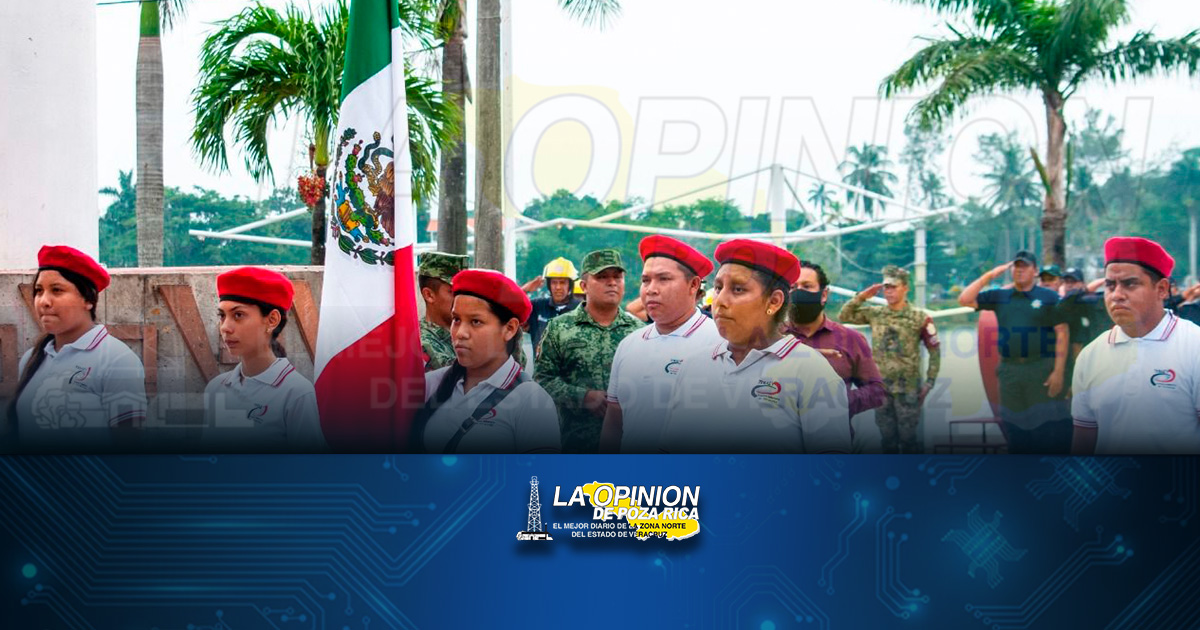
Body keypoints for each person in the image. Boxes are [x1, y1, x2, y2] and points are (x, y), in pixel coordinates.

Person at [657, 239, 851, 454]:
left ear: (774, 302)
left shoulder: (811, 372)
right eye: (718, 287)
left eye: (738, 289)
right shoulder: (693, 366)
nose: (720, 301)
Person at [7, 245, 147, 453]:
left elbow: (130, 449)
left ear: (88, 300)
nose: (43, 301)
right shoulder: (30, 359)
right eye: (38, 291)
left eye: (57, 290)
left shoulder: (117, 360)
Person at [1072, 237, 1200, 454]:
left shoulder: (1193, 346)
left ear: (1162, 289)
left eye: (1130, 284)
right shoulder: (1090, 355)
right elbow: (1084, 439)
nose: (1117, 295)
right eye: (1110, 285)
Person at [412, 269, 560, 454]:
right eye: (456, 319)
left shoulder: (531, 401)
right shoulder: (431, 384)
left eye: (475, 322)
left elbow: (538, 480)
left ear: (510, 328)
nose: (460, 333)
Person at [600, 235, 721, 453]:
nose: (651, 289)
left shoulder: (720, 345)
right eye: (646, 280)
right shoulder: (629, 345)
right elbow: (614, 421)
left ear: (693, 285)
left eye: (664, 279)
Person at [203, 267, 326, 452]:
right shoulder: (216, 388)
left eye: (238, 315)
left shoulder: (296, 393)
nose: (225, 327)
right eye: (222, 316)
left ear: (272, 320)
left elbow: (311, 471)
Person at [959, 250, 1070, 454]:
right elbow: (965, 299)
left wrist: (1058, 372)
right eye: (1016, 266)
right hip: (1009, 369)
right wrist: (991, 274)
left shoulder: (1048, 297)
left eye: (1025, 266)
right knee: (1014, 428)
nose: (1019, 271)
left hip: (1040, 369)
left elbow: (1062, 332)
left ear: (1034, 271)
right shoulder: (1001, 296)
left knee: (1042, 429)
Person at [536, 249, 641, 453]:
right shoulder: (559, 328)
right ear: (583, 285)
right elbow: (542, 379)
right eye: (602, 277)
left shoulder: (639, 331)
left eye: (617, 277)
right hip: (576, 445)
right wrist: (583, 397)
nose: (612, 283)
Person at [839, 265, 941, 454]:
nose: (889, 291)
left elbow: (934, 350)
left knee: (909, 440)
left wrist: (930, 382)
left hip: (908, 389)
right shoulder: (877, 314)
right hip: (882, 388)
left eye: (893, 287)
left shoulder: (919, 318)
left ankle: (913, 479)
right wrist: (862, 297)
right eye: (886, 287)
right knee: (887, 441)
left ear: (905, 288)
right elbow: (844, 315)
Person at [783, 260, 886, 419]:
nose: (798, 292)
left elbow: (877, 391)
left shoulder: (850, 339)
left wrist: (840, 402)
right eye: (793, 287)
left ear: (823, 295)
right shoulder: (768, 339)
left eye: (807, 286)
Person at [417, 251, 470, 372]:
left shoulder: (465, 333)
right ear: (429, 295)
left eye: (464, 291)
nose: (461, 298)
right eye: (453, 292)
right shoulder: (422, 343)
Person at [522, 256, 582, 354]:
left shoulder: (581, 309)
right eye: (554, 282)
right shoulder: (538, 306)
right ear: (549, 285)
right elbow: (508, 312)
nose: (558, 287)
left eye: (562, 282)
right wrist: (524, 290)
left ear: (570, 285)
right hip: (543, 369)